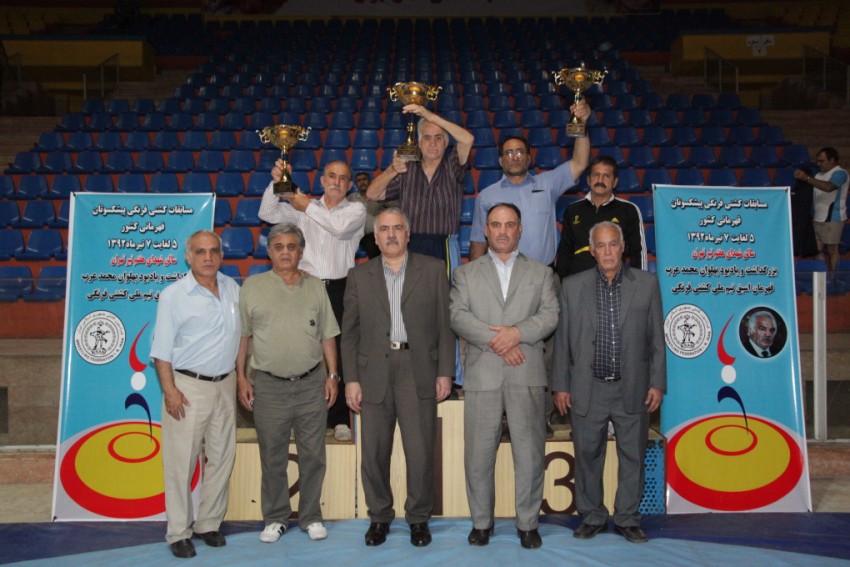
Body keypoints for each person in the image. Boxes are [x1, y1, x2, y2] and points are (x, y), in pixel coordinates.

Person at [341, 207, 454, 548]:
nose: (391, 234)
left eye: (397, 228)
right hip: (372, 371)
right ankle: (379, 516)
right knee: (374, 452)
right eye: (384, 229)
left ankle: (418, 518)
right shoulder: (358, 276)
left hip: (418, 368)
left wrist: (445, 371)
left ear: (408, 233)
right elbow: (349, 333)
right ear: (375, 238)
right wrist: (351, 379)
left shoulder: (433, 270)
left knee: (420, 451)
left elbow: (445, 326)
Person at [450, 203, 559, 549]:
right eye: (496, 224)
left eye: (509, 224)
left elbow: (550, 315)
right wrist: (500, 340)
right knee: (479, 454)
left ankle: (528, 524)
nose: (502, 231)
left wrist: (517, 333)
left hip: (526, 371)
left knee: (530, 454)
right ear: (485, 230)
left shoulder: (541, 273)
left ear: (520, 229)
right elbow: (458, 316)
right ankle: (481, 523)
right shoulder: (465, 274)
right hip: (483, 374)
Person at [552, 221, 665, 544]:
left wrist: (657, 382)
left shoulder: (647, 284)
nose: (607, 252)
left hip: (634, 387)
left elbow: (657, 339)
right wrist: (561, 385)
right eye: (600, 246)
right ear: (592, 250)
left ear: (622, 247)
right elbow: (562, 341)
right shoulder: (572, 286)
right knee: (587, 455)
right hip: (588, 387)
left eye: (613, 244)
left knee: (633, 456)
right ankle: (592, 516)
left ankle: (628, 518)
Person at [236, 223, 340, 544]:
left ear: (300, 251)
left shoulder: (315, 287)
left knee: (313, 455)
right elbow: (243, 337)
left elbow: (328, 335)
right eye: (279, 246)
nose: (285, 252)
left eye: (291, 246)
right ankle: (276, 518)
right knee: (273, 457)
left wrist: (333, 375)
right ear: (269, 252)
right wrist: (241, 377)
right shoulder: (251, 287)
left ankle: (311, 517)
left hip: (311, 384)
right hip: (268, 386)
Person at [259, 159, 365, 441]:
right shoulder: (302, 209)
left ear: (349, 185)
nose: (336, 182)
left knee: (339, 353)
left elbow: (338, 228)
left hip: (341, 289)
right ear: (322, 180)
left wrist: (305, 204)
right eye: (331, 176)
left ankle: (339, 419)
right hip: (305, 287)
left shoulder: (355, 210)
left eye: (343, 178)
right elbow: (267, 212)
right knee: (304, 351)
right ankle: (300, 419)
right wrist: (277, 182)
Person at [150, 230, 241, 559]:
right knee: (180, 463)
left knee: (222, 457)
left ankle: (208, 523)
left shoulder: (233, 288)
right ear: (188, 257)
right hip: (187, 388)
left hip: (226, 383)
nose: (208, 257)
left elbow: (241, 338)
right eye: (200, 252)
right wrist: (170, 391)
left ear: (221, 255)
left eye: (214, 250)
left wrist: (241, 378)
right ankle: (178, 531)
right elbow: (161, 351)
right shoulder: (173, 295)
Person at [468, 101, 591, 265]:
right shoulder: (486, 197)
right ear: (501, 161)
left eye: (520, 152)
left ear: (529, 158)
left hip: (545, 272)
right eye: (509, 153)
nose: (515, 157)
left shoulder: (548, 184)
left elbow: (579, 163)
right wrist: (474, 276)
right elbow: (478, 242)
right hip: (503, 274)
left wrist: (582, 123)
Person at [365, 104, 474, 265]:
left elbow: (468, 139)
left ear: (446, 143)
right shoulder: (407, 169)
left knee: (444, 283)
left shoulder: (453, 165)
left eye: (438, 138)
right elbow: (372, 194)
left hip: (444, 244)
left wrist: (429, 116)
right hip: (411, 244)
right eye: (427, 138)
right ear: (419, 142)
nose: (433, 143)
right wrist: (392, 170)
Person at [555, 155, 647, 279]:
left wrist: (640, 284)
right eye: (596, 175)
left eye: (606, 176)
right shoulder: (573, 210)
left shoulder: (629, 210)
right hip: (577, 283)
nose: (600, 180)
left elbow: (638, 252)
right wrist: (561, 283)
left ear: (615, 182)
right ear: (588, 180)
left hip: (614, 283)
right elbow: (564, 252)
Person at [794, 147, 849, 273]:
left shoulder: (840, 173)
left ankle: (835, 277)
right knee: (816, 250)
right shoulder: (818, 175)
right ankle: (823, 277)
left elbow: (829, 187)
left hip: (833, 218)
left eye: (822, 161)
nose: (819, 164)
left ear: (832, 160)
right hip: (817, 217)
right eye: (818, 161)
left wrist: (807, 178)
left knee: (832, 250)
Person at [347, 171, 397, 259]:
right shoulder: (351, 198)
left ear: (370, 181)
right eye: (359, 180)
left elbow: (395, 207)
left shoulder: (379, 195)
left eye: (364, 179)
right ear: (356, 184)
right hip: (358, 233)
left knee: (375, 245)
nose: (362, 182)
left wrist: (385, 214)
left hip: (376, 232)